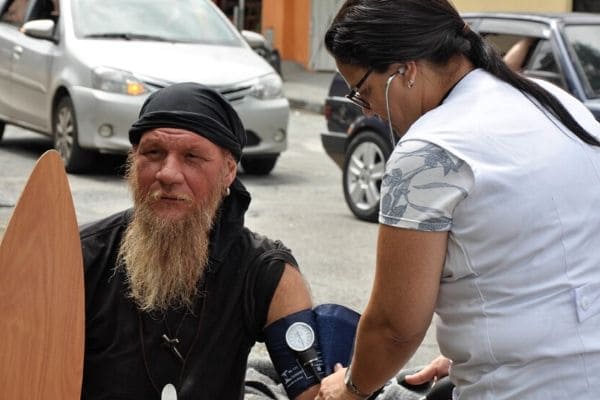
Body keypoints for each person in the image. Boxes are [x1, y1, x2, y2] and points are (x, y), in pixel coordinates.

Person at [316, 0, 600, 399]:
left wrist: (350, 389)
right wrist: (469, 353)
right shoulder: (557, 103)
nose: (373, 111)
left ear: (405, 70)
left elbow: (395, 327)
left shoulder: (429, 150)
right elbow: (553, 262)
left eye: (364, 92)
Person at [79, 83, 319, 399]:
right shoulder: (82, 255)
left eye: (192, 156)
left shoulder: (266, 272)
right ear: (133, 161)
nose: (168, 173)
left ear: (229, 171)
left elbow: (312, 389)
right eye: (153, 153)